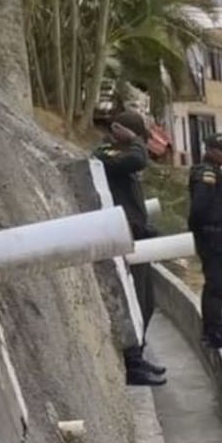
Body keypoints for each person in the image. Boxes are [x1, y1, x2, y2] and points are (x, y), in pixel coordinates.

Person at [94, 110, 166, 387]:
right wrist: (134, 139)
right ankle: (131, 362)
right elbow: (138, 159)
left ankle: (139, 354)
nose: (140, 141)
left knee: (146, 301)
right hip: (122, 240)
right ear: (119, 131)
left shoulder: (123, 154)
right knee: (133, 301)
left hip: (135, 238)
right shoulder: (105, 153)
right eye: (136, 135)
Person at [190, 133, 222, 348]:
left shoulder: (220, 171)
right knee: (217, 286)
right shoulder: (207, 174)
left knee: (220, 284)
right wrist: (205, 233)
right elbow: (199, 209)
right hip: (213, 236)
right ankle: (214, 333)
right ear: (210, 150)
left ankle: (216, 328)